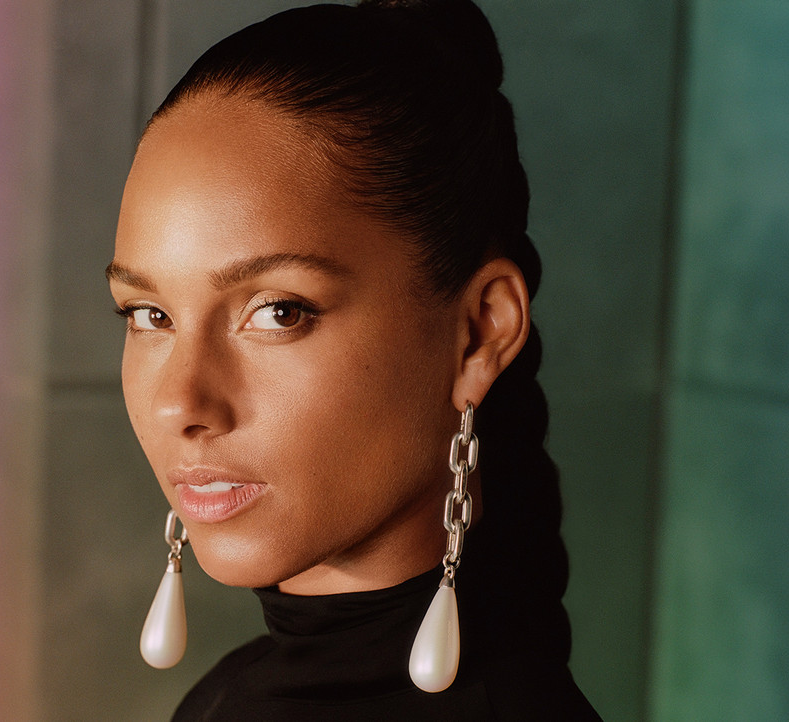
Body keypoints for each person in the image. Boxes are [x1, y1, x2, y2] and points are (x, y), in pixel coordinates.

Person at [106, 0, 600, 718]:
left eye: (279, 311)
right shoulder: (227, 695)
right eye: (150, 316)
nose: (179, 402)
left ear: (479, 333)